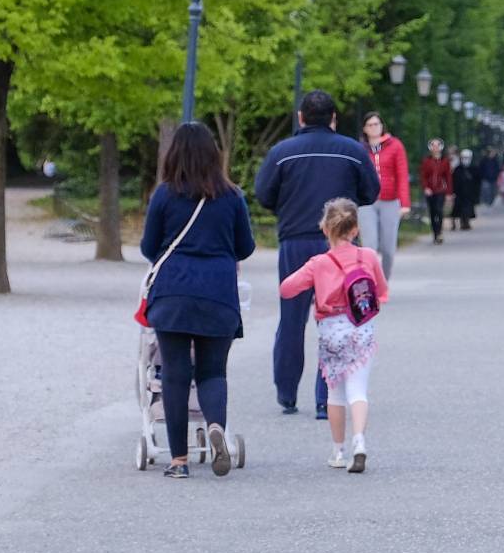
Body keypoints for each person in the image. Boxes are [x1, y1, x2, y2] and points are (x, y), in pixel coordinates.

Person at [140, 121, 256, 478]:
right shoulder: (232, 196)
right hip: (218, 294)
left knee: (175, 374)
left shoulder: (164, 194)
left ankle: (178, 461)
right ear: (213, 155)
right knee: (211, 371)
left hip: (173, 293)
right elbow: (245, 247)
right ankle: (216, 426)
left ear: (174, 153)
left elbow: (148, 247)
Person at [256, 90, 380, 419]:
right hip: (339, 246)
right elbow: (371, 191)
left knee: (291, 319)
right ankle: (327, 396)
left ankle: (286, 392)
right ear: (334, 119)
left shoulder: (282, 153)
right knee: (337, 316)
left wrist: (288, 204)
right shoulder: (352, 151)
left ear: (301, 118)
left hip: (295, 240)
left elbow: (263, 194)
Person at [279, 198, 389, 473]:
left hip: (331, 331)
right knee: (358, 390)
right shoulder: (369, 257)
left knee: (335, 394)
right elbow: (382, 291)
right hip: (360, 328)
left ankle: (338, 451)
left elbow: (287, 288)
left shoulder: (319, 263)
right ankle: (360, 441)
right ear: (355, 230)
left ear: (325, 229)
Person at [358, 113, 411, 278]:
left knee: (388, 248)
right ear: (365, 129)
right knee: (369, 246)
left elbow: (402, 175)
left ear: (382, 126)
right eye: (370, 125)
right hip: (367, 202)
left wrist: (405, 204)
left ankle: (384, 282)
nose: (374, 128)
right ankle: (371, 284)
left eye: (377, 124)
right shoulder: (360, 148)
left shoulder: (395, 146)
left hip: (390, 200)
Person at [420, 138, 452, 244]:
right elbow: (423, 176)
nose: (435, 147)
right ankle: (435, 233)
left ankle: (440, 232)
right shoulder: (426, 161)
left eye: (437, 145)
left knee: (439, 210)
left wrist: (448, 192)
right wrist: (426, 188)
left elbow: (448, 177)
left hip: (440, 190)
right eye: (433, 145)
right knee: (433, 212)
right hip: (430, 190)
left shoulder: (445, 161)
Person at [451, 148, 480, 230]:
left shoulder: (474, 168)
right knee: (458, 209)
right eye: (463, 158)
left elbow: (477, 181)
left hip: (470, 192)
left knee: (468, 209)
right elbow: (454, 181)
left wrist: (476, 193)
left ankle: (466, 222)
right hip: (459, 193)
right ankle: (459, 222)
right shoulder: (458, 169)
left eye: (467, 158)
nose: (465, 160)